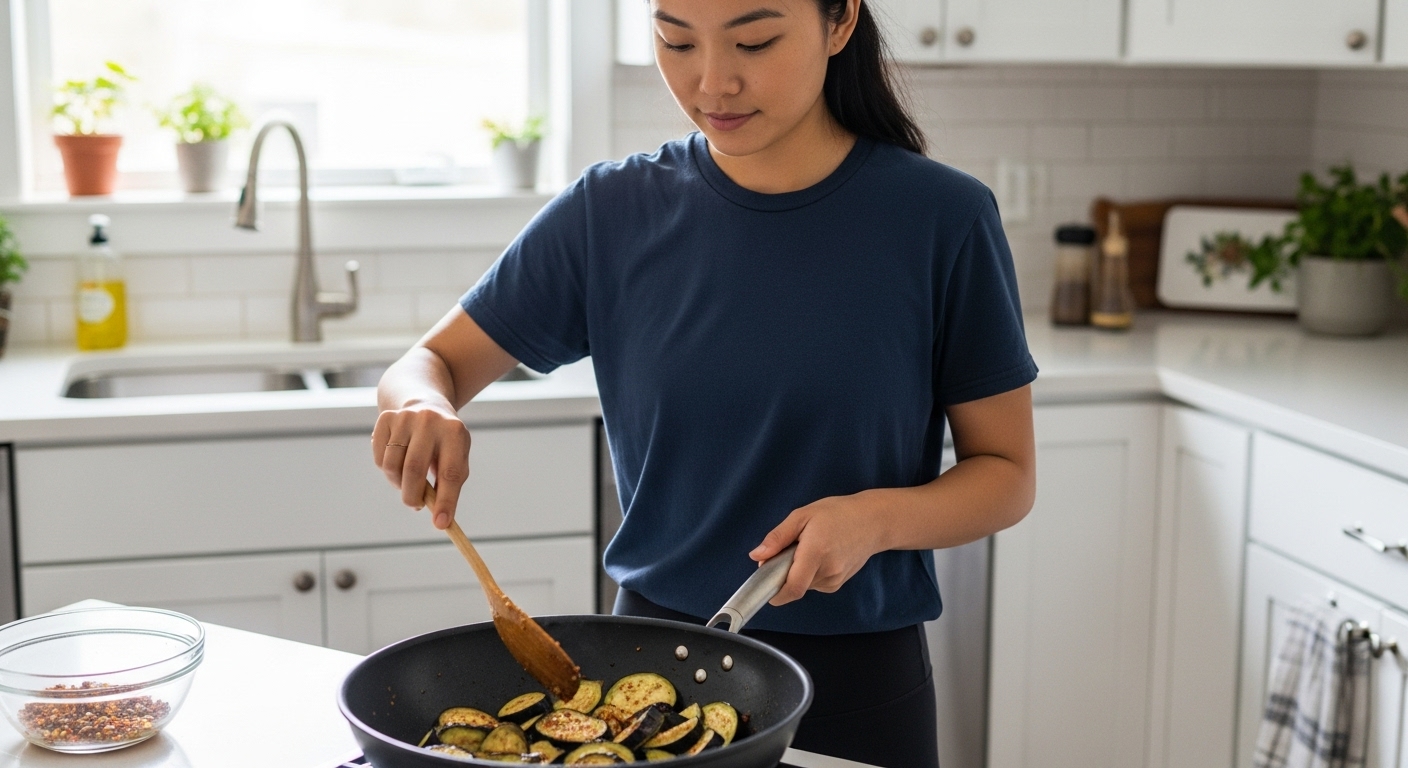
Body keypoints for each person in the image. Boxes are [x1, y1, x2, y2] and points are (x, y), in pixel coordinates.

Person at [372, 1, 1037, 765]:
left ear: (841, 20)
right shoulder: (611, 212)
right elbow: (430, 363)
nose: (712, 81)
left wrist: (874, 520)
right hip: (648, 675)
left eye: (754, 41)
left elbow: (1007, 475)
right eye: (675, 41)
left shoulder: (942, 219)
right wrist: (422, 403)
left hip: (858, 687)